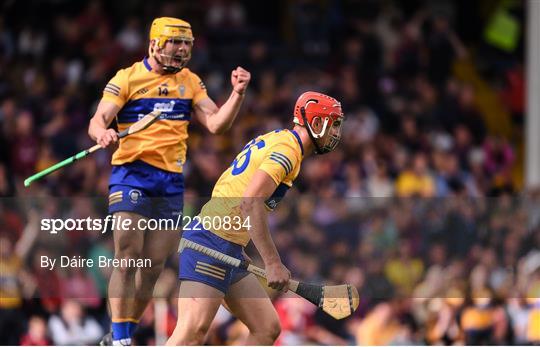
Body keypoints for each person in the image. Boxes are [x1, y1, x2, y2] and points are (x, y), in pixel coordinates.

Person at [87, 17, 250, 346]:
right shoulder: (127, 79)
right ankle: (120, 341)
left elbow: (217, 124)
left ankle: (124, 332)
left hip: (170, 182)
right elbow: (98, 119)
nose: (181, 50)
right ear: (154, 44)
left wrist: (237, 94)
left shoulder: (190, 82)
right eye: (175, 43)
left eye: (186, 44)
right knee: (127, 255)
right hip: (131, 175)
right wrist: (102, 133)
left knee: (153, 267)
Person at [167, 91, 345, 345]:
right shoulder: (288, 150)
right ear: (316, 124)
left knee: (267, 328)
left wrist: (238, 243)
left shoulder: (278, 140)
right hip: (210, 242)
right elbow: (250, 202)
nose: (335, 134)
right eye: (333, 125)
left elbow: (234, 190)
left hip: (227, 245)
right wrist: (272, 262)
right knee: (190, 334)